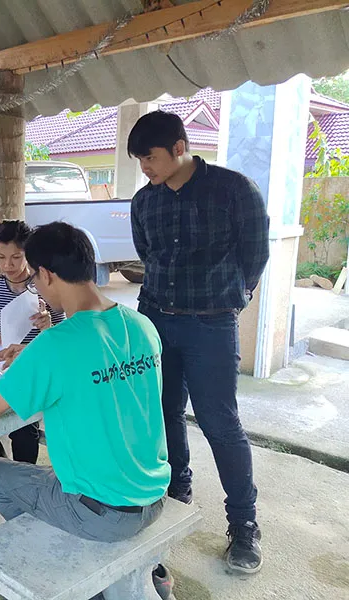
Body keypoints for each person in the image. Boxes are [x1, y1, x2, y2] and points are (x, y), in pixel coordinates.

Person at [0, 222, 173, 597]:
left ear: (45, 274)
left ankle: (59, 559)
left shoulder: (55, 346)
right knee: (44, 474)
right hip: (153, 494)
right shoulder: (141, 325)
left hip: (99, 512)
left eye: (33, 276)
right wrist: (32, 353)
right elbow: (93, 369)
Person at [128, 110, 269, 574]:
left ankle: (244, 524)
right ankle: (176, 491)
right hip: (156, 321)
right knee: (163, 411)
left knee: (220, 422)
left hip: (211, 324)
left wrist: (233, 297)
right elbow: (148, 255)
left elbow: (255, 254)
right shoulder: (144, 201)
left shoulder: (234, 189)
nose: (145, 168)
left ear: (179, 147)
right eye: (139, 160)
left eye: (150, 157)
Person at [0, 220, 64, 464]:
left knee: (24, 429)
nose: (8, 265)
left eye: (16, 257)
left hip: (34, 368)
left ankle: (25, 472)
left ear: (28, 254)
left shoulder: (44, 286)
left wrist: (48, 325)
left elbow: (63, 337)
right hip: (1, 367)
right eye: (1, 257)